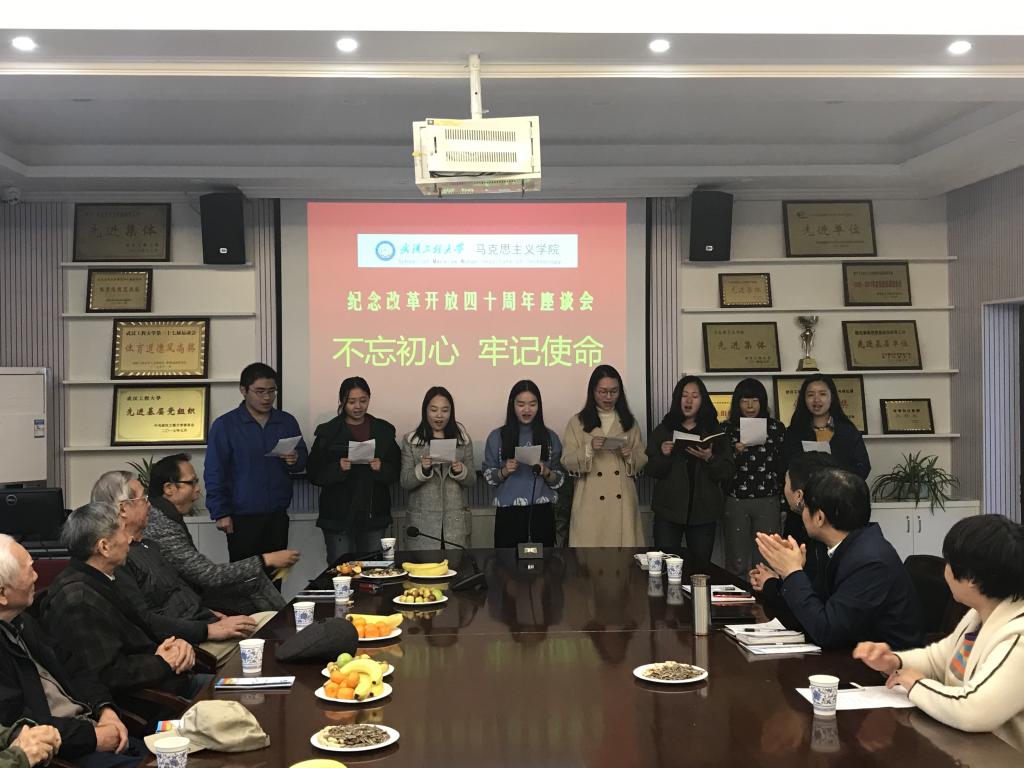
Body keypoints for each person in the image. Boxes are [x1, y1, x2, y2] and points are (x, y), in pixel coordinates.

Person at [853, 515, 1024, 752]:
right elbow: (938, 660)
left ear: (971, 578)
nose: (946, 569)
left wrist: (917, 685)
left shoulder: (1018, 637)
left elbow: (973, 711)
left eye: (949, 562)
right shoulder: (979, 614)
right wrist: (894, 661)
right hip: (968, 748)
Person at [0, 534, 146, 767]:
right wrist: (93, 737)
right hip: (64, 751)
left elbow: (75, 666)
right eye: (29, 570)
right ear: (2, 594)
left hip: (93, 727)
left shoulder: (23, 620)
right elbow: (21, 725)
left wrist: (105, 708)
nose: (37, 576)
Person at [40, 503, 207, 703]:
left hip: (168, 680)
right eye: (123, 531)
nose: (129, 539)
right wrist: (162, 662)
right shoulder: (79, 601)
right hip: (157, 700)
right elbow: (107, 674)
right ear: (104, 547)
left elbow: (137, 635)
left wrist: (174, 645)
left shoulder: (100, 577)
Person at [754, 468, 923, 650]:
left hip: (884, 664)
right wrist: (795, 572)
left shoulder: (870, 562)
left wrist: (792, 573)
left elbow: (827, 632)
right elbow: (816, 610)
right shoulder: (846, 546)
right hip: (852, 653)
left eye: (805, 507)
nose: (802, 514)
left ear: (819, 518)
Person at [90, 471, 259, 650]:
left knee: (269, 623)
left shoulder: (149, 545)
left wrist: (209, 613)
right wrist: (209, 630)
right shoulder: (119, 559)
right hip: (188, 644)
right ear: (123, 509)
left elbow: (178, 591)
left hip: (203, 623)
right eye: (143, 498)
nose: (149, 504)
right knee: (267, 633)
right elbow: (145, 621)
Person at [146, 454, 289, 615]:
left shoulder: (163, 514)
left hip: (189, 594)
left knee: (255, 582)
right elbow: (208, 575)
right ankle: (288, 626)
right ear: (169, 488)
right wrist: (266, 559)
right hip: (185, 603)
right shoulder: (162, 525)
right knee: (255, 582)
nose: (198, 489)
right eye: (192, 483)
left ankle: (284, 625)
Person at [204, 362, 307, 566]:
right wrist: (221, 512)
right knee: (245, 576)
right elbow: (215, 471)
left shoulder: (286, 422)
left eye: (272, 391)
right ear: (243, 390)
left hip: (277, 514)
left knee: (275, 575)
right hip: (241, 516)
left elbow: (302, 458)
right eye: (260, 392)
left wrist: (295, 459)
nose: (267, 398)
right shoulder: (226, 425)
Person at [307, 376, 402, 564]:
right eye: (351, 402)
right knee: (340, 569)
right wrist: (338, 468)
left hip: (374, 513)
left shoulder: (383, 430)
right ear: (342, 401)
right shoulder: (328, 432)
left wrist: (382, 468)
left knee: (374, 568)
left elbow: (397, 470)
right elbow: (313, 472)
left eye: (363, 401)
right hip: (338, 516)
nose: (358, 406)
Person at [644, 375, 734, 561]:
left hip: (704, 512)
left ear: (703, 400)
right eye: (684, 395)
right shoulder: (664, 429)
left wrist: (709, 458)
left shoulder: (714, 431)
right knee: (666, 565)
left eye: (694, 396)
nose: (689, 401)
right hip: (668, 511)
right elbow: (650, 470)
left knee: (700, 567)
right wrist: (663, 455)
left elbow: (727, 472)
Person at [562, 365, 648, 547]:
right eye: (603, 391)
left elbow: (642, 459)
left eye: (614, 391)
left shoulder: (629, 422)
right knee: (590, 558)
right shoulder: (577, 422)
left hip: (623, 501)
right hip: (590, 501)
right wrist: (589, 448)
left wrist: (630, 455)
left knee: (623, 559)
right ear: (593, 391)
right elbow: (566, 461)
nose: (608, 397)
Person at [483, 380, 566, 548]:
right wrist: (505, 471)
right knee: (507, 561)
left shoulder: (550, 437)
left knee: (543, 562)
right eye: (521, 404)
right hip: (509, 512)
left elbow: (559, 480)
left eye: (532, 404)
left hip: (542, 512)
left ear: (539, 406)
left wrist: (546, 472)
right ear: (512, 405)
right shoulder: (497, 436)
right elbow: (489, 477)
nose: (527, 410)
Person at [721, 378, 786, 576]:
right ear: (737, 403)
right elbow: (719, 467)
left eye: (755, 400)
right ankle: (736, 595)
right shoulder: (726, 429)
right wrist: (735, 452)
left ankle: (766, 594)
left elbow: (782, 466)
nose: (750, 406)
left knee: (766, 559)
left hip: (768, 499)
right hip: (735, 500)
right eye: (744, 401)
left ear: (763, 402)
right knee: (737, 559)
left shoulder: (775, 428)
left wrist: (784, 503)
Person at [399, 387, 476, 550]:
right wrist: (423, 470)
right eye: (434, 410)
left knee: (457, 565)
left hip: (455, 526)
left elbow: (471, 480)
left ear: (451, 412)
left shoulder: (463, 440)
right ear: (425, 411)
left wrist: (460, 470)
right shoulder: (412, 441)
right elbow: (405, 482)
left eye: (445, 410)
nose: (439, 415)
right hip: (422, 526)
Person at [783, 374, 870, 479]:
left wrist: (835, 473)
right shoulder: (794, 432)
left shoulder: (848, 432)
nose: (816, 400)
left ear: (832, 397)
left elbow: (863, 468)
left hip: (841, 488)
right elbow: (786, 467)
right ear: (804, 399)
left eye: (822, 394)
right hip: (805, 489)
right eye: (810, 395)